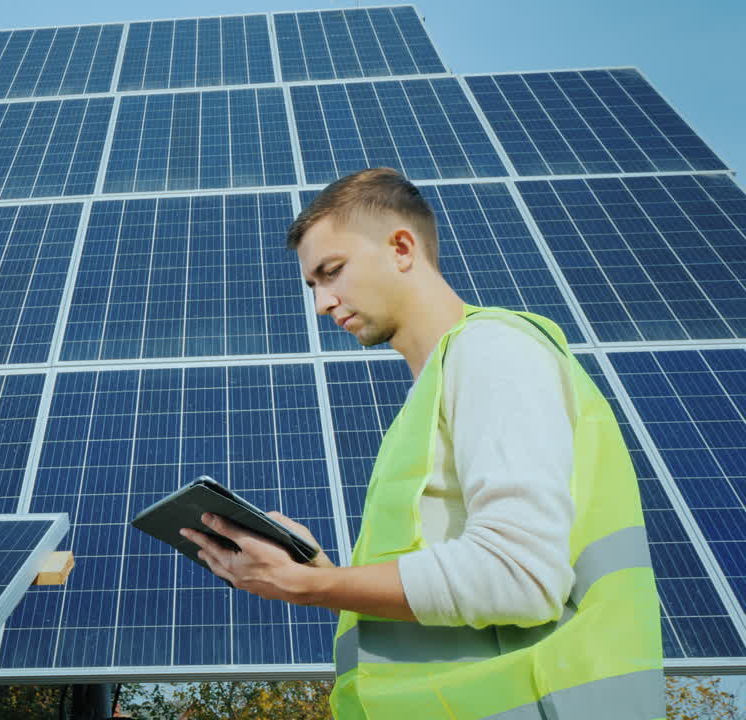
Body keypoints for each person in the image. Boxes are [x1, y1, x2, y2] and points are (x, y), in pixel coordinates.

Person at [179, 168, 662, 719]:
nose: (321, 303)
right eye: (312, 285)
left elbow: (521, 575)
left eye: (331, 272)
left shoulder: (492, 353)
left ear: (402, 248)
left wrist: (307, 587)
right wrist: (314, 568)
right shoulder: (433, 391)